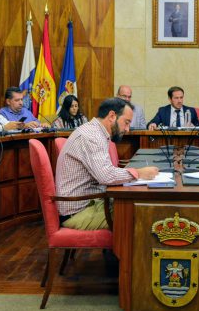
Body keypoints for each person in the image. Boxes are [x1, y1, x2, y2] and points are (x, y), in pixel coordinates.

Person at [55, 98, 159, 230]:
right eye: (126, 122)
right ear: (112, 116)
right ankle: (120, 250)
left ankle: (119, 250)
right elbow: (106, 176)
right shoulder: (92, 136)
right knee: (140, 216)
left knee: (137, 207)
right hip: (78, 212)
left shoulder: (96, 131)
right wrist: (138, 173)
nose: (127, 129)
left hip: (90, 202)